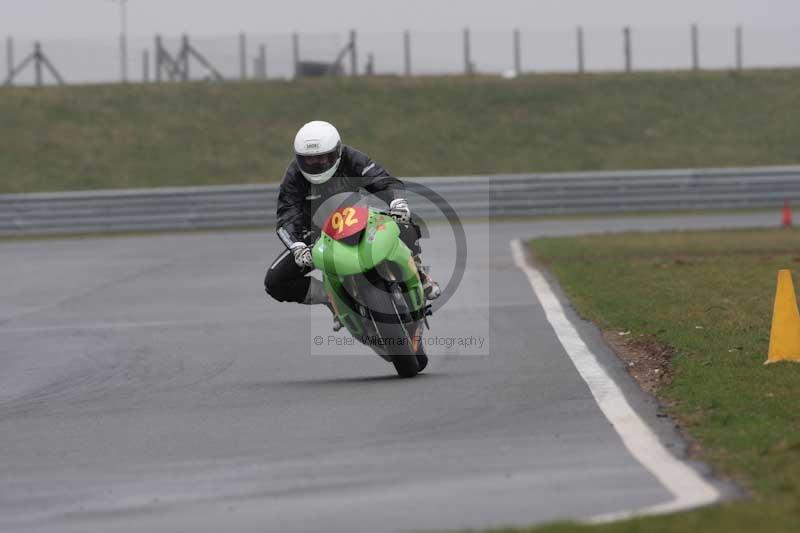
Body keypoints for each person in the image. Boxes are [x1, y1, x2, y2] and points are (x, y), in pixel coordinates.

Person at [265, 120, 441, 328]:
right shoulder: (294, 174)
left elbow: (382, 179)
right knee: (274, 282)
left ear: (337, 152)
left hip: (359, 220)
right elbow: (287, 214)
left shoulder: (351, 158)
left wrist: (397, 200)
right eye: (309, 160)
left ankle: (418, 272)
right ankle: (330, 298)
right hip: (316, 235)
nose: (318, 164)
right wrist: (298, 247)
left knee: (403, 220)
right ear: (299, 159)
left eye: (324, 157)